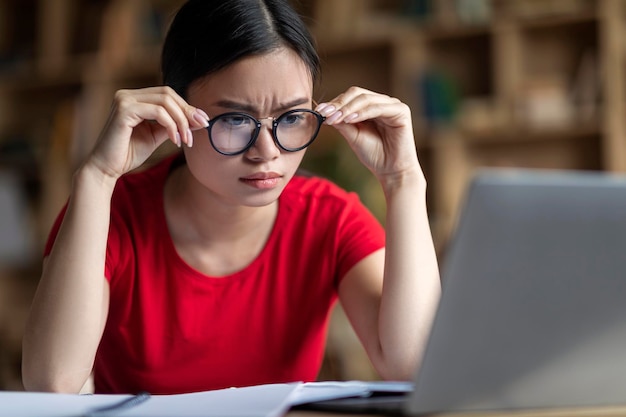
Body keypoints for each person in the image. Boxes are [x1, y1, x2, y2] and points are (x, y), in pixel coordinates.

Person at [22, 0, 441, 395]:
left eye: (292, 117)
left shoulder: (330, 219)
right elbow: (52, 383)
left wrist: (404, 180)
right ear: (174, 111)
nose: (267, 152)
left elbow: (415, 365)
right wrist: (97, 177)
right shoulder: (109, 216)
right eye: (235, 119)